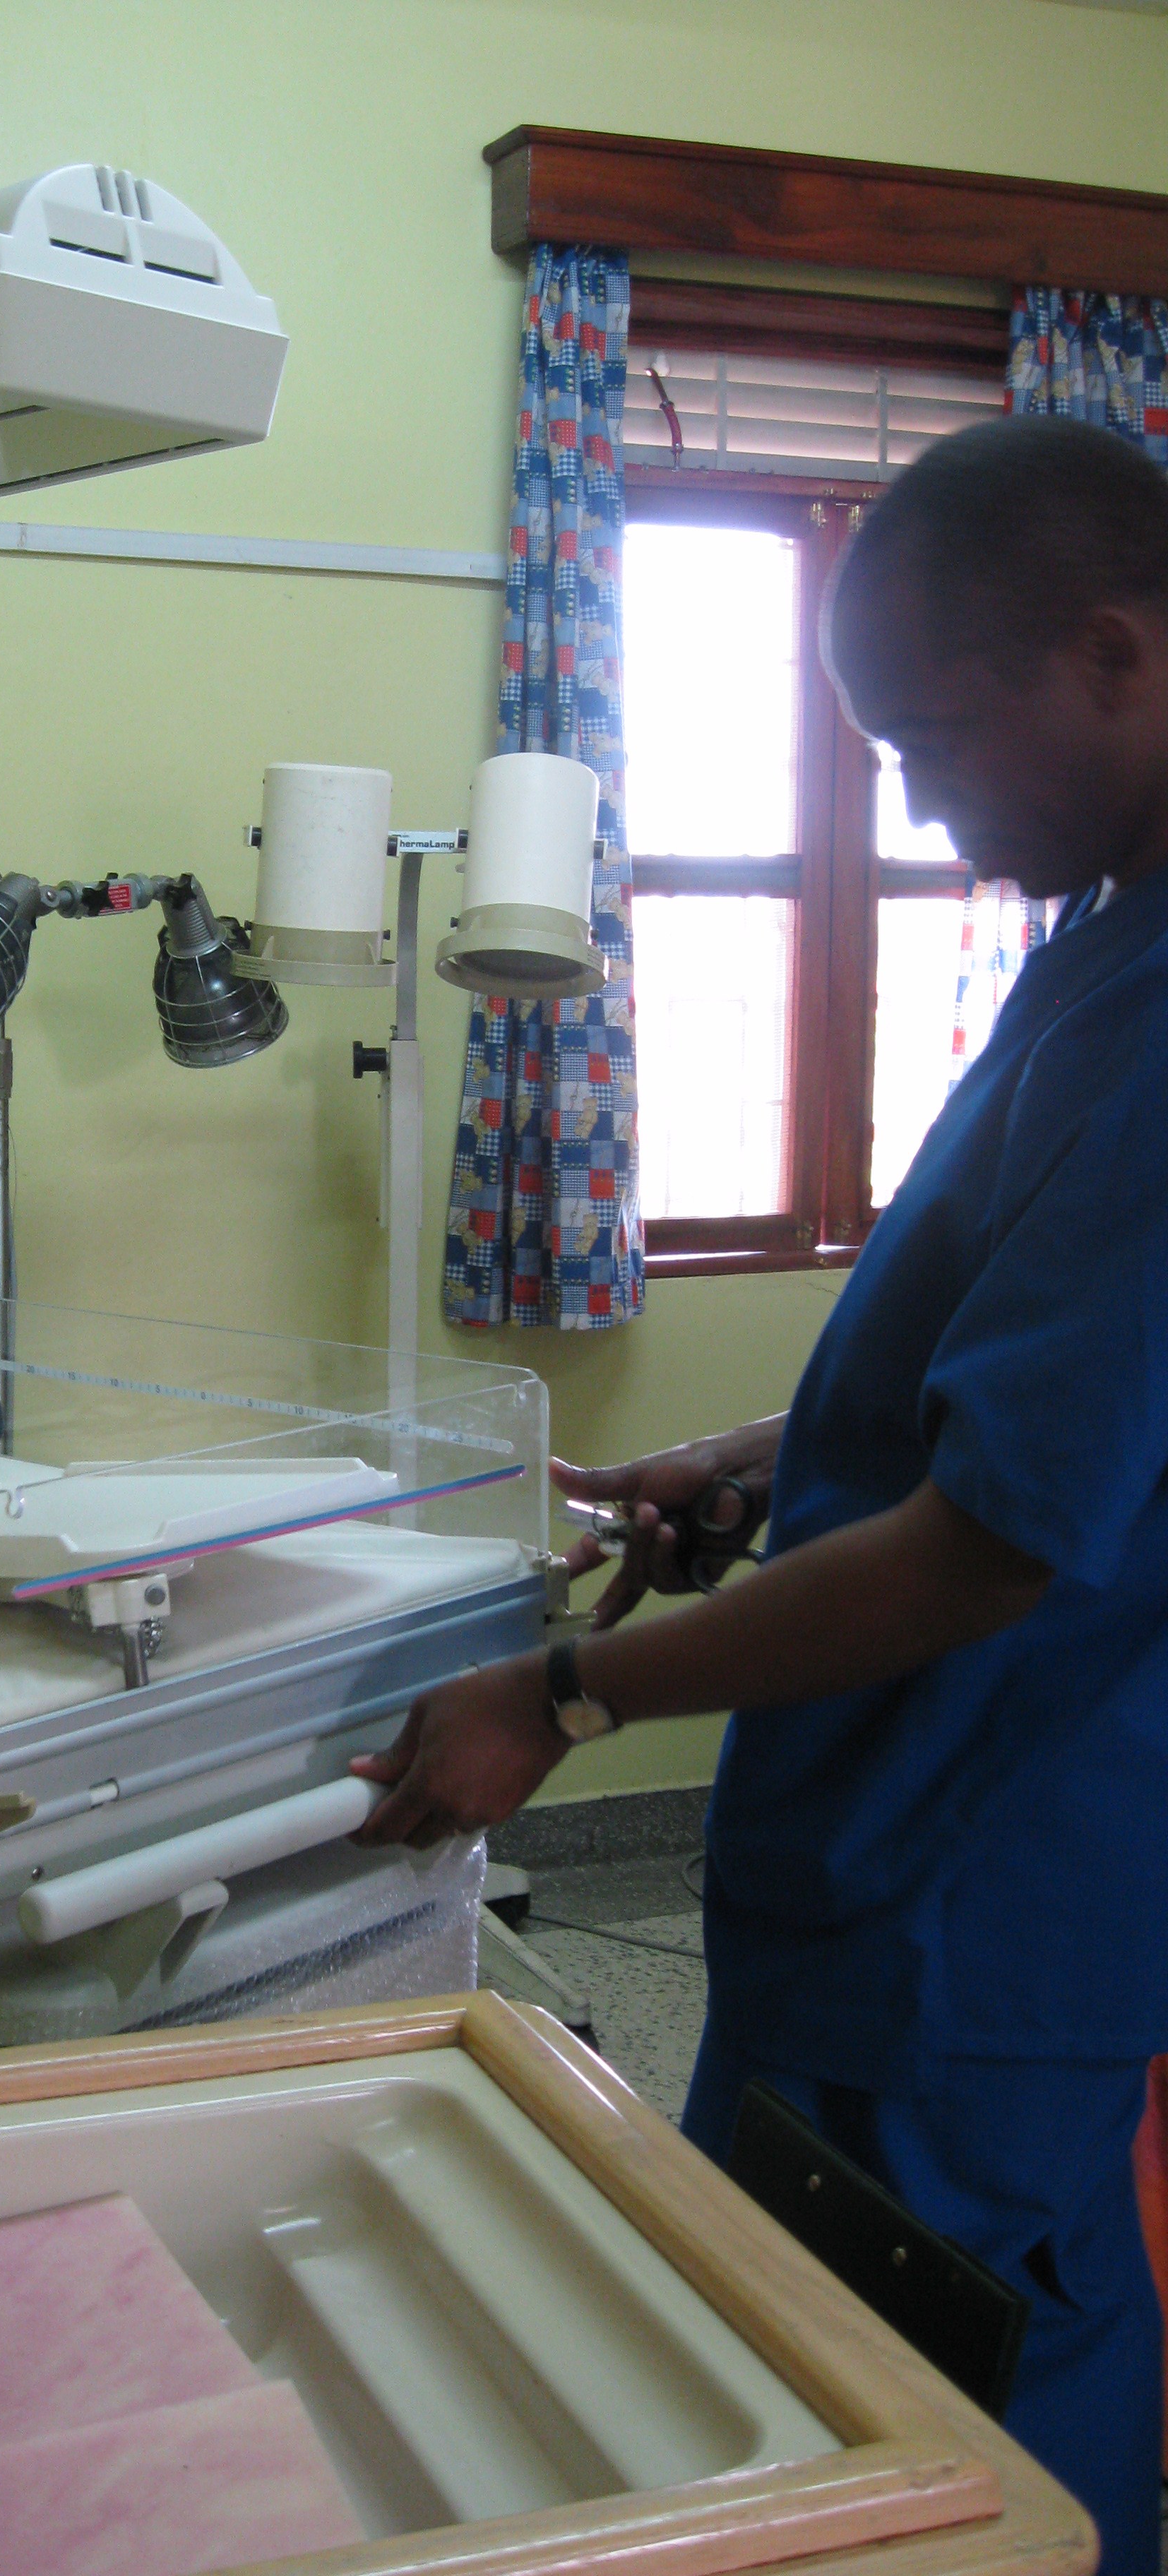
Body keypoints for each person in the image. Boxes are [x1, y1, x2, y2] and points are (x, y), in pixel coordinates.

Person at [352, 414, 1168, 2568]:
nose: (912, 807)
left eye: (930, 744)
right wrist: (762, 1460)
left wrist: (571, 1698)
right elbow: (999, 1369)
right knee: (839, 2348)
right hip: (890, 1880)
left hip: (977, 1890)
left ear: (1117, 654)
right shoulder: (1102, 934)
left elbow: (1008, 1531)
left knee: (931, 2418)